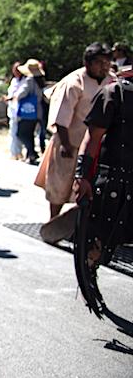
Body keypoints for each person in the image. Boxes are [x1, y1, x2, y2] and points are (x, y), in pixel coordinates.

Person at [35, 43, 114, 242]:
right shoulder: (73, 82)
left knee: (91, 187)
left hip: (97, 145)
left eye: (107, 62)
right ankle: (54, 221)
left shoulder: (112, 82)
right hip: (69, 140)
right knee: (60, 184)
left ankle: (83, 226)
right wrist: (65, 144)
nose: (104, 67)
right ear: (87, 63)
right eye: (99, 63)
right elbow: (60, 116)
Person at [71, 66, 133, 316]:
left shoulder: (113, 91)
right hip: (111, 185)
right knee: (98, 244)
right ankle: (90, 273)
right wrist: (82, 176)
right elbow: (93, 138)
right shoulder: (114, 93)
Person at [14, 58, 45, 165]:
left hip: (28, 112)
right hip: (38, 112)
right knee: (30, 133)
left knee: (21, 133)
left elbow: (21, 94)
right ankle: (31, 155)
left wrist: (16, 96)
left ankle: (32, 152)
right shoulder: (41, 81)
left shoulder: (29, 80)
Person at [3, 61, 25, 160]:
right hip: (12, 109)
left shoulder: (25, 81)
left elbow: (19, 94)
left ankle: (18, 152)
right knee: (13, 132)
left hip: (21, 110)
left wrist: (10, 98)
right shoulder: (14, 81)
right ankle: (15, 153)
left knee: (18, 132)